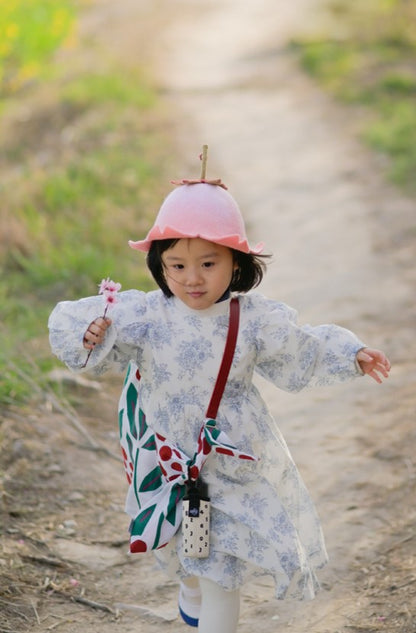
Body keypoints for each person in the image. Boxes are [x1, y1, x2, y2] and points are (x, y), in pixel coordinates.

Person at [48, 153, 390, 633]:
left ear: (236, 264)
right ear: (159, 264)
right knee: (187, 551)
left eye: (209, 263)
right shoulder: (147, 316)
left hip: (231, 458)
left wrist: (350, 355)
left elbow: (300, 350)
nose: (192, 278)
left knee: (222, 569)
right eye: (177, 264)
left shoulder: (250, 320)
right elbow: (91, 337)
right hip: (165, 458)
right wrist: (90, 331)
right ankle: (189, 580)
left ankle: (208, 596)